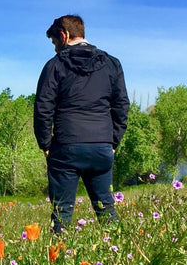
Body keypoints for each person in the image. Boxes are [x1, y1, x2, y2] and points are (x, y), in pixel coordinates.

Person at [33, 15, 130, 233]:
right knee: (106, 210)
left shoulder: (55, 66)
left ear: (63, 35)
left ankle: (59, 259)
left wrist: (45, 144)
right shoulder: (112, 64)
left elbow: (43, 107)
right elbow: (122, 105)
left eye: (55, 43)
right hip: (101, 146)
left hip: (66, 147)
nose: (55, 49)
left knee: (62, 213)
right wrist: (112, 142)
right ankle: (118, 254)